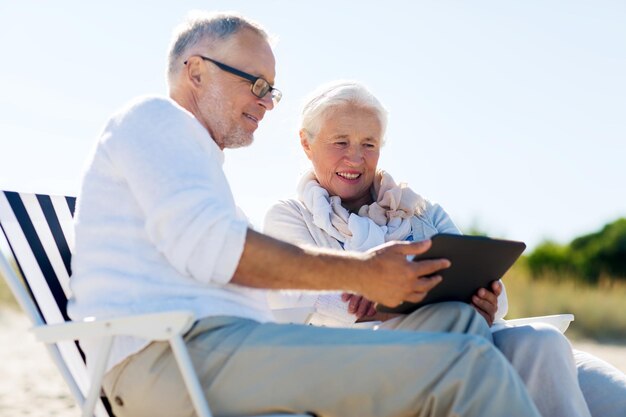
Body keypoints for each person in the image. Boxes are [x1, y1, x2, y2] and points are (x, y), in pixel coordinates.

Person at [66, 11, 541, 417]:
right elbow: (214, 248)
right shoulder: (153, 118)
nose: (267, 102)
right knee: (464, 362)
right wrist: (364, 273)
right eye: (255, 84)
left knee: (456, 327)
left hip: (228, 351)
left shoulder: (200, 166)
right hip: (178, 359)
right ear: (195, 71)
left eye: (272, 90)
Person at [264, 80, 626, 417]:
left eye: (369, 144)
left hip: (467, 333)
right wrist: (376, 300)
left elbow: (498, 299)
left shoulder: (422, 211)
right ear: (306, 143)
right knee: (461, 334)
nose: (356, 158)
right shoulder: (291, 216)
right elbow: (297, 297)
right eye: (340, 142)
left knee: (544, 342)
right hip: (368, 354)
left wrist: (484, 300)